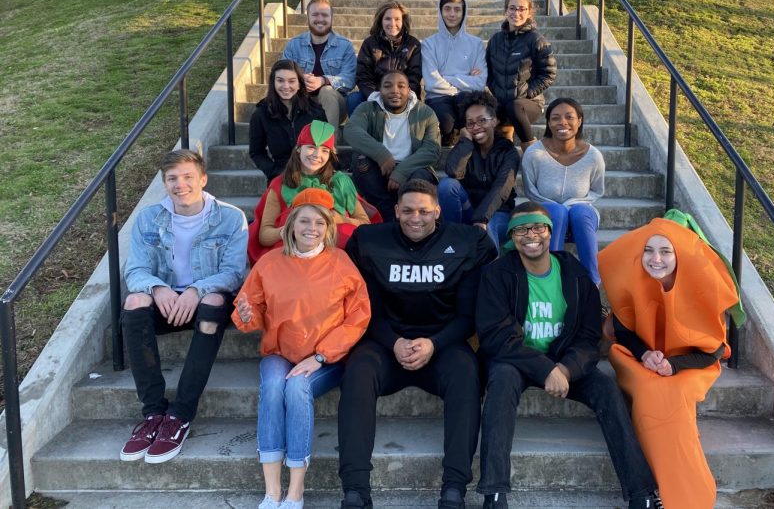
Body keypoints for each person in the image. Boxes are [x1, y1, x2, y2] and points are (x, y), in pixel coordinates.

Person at [475, 202, 661, 509]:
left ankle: (641, 493)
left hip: (564, 360)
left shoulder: (575, 274)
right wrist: (544, 369)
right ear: (511, 236)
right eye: (521, 229)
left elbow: (589, 336)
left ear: (550, 232)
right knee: (501, 383)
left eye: (537, 227)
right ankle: (494, 493)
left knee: (607, 390)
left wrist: (564, 368)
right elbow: (496, 336)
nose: (530, 235)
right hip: (516, 360)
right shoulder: (497, 275)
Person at [338, 179, 497, 509]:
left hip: (442, 342)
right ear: (395, 211)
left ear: (437, 211)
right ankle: (355, 490)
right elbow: (366, 310)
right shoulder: (370, 241)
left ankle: (454, 488)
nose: (415, 218)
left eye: (424, 211)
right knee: (357, 370)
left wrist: (433, 344)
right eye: (407, 210)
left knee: (467, 373)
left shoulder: (464, 242)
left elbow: (467, 316)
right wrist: (394, 342)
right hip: (385, 343)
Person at [233, 188, 371, 509]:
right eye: (304, 220)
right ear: (291, 224)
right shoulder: (269, 263)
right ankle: (272, 492)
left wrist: (321, 356)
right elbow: (249, 308)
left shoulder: (340, 262)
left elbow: (359, 315)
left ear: (328, 228)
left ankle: (295, 490)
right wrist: (245, 315)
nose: (312, 228)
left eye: (320, 223)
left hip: (326, 357)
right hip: (280, 352)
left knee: (296, 388)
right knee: (272, 388)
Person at [598, 217, 741, 509]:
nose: (655, 258)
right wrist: (645, 355)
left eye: (666, 251)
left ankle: (687, 498)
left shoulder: (702, 285)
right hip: (637, 359)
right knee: (651, 394)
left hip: (691, 363)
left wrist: (673, 366)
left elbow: (712, 350)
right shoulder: (633, 276)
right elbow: (623, 330)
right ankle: (668, 488)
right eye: (649, 250)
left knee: (673, 396)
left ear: (680, 255)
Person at [119, 150, 248, 463]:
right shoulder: (149, 217)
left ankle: (180, 415)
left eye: (188, 177)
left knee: (214, 301)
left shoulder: (230, 217)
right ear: (165, 183)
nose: (180, 184)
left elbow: (233, 273)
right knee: (135, 300)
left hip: (205, 301)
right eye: (172, 178)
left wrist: (195, 289)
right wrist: (159, 288)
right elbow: (135, 270)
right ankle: (153, 414)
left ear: (202, 179)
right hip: (166, 302)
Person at [248, 120, 371, 263]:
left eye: (324, 150)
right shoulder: (280, 184)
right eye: (312, 147)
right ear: (299, 149)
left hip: (335, 256)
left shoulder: (341, 182)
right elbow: (264, 236)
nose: (317, 155)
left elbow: (365, 224)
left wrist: (341, 219)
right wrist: (289, 230)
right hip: (294, 257)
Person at [520, 98, 604, 286]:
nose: (562, 123)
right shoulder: (534, 153)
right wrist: (559, 208)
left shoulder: (593, 156)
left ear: (579, 121)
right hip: (546, 217)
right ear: (549, 123)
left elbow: (597, 191)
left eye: (569, 117)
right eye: (556, 118)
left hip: (581, 220)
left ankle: (592, 284)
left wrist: (570, 206)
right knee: (556, 212)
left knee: (580, 212)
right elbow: (530, 191)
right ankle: (551, 280)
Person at [342, 70, 441, 221]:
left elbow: (432, 150)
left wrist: (401, 171)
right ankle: (388, 215)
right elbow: (351, 131)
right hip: (379, 168)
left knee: (421, 176)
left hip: (412, 168)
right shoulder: (367, 108)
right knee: (360, 161)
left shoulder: (425, 113)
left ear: (409, 90)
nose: (395, 90)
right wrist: (382, 155)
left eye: (401, 86)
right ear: (380, 90)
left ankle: (414, 218)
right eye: (387, 86)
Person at [437, 91, 519, 249]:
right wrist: (466, 143)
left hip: (498, 214)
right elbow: (453, 172)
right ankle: (453, 240)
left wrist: (481, 218)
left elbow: (501, 189)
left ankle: (489, 272)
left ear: (494, 121)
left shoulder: (508, 152)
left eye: (482, 120)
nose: (476, 127)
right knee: (447, 185)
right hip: (469, 211)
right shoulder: (465, 147)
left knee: (488, 229)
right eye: (470, 123)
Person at [484, 0, 556, 153]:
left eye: (522, 9)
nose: (516, 13)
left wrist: (527, 92)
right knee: (484, 111)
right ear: (506, 11)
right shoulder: (495, 40)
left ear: (529, 12)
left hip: (528, 104)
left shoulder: (536, 40)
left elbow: (549, 74)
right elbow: (487, 71)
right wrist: (496, 91)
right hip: (502, 101)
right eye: (512, 8)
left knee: (514, 106)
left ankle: (531, 151)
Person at [281, 0, 358, 131]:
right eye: (315, 14)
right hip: (301, 102)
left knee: (326, 91)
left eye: (325, 15)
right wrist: (299, 79)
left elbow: (350, 79)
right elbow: (281, 75)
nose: (320, 19)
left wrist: (323, 80)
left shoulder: (345, 46)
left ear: (331, 18)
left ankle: (328, 150)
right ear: (308, 17)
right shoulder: (294, 45)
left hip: (334, 105)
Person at [421, 0, 487, 146]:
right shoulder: (429, 44)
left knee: (469, 111)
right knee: (446, 123)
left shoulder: (476, 43)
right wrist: (466, 79)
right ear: (440, 11)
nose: (452, 14)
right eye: (447, 9)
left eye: (457, 9)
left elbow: (480, 83)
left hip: (466, 97)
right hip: (437, 97)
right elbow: (431, 82)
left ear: (464, 12)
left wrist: (446, 77)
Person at [249, 59, 326, 181]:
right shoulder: (261, 114)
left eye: (291, 81)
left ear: (299, 83)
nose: (286, 86)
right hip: (281, 176)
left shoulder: (315, 112)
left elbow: (325, 148)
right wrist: (275, 172)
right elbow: (256, 152)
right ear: (273, 82)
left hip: (313, 175)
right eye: (280, 80)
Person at [347, 0, 423, 114]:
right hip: (377, 93)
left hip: (402, 95)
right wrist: (375, 95)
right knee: (354, 99)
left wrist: (401, 94)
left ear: (403, 21)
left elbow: (415, 76)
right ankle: (361, 130)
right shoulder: (370, 43)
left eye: (397, 19)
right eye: (387, 19)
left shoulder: (413, 44)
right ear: (381, 21)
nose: (392, 23)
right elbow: (363, 75)